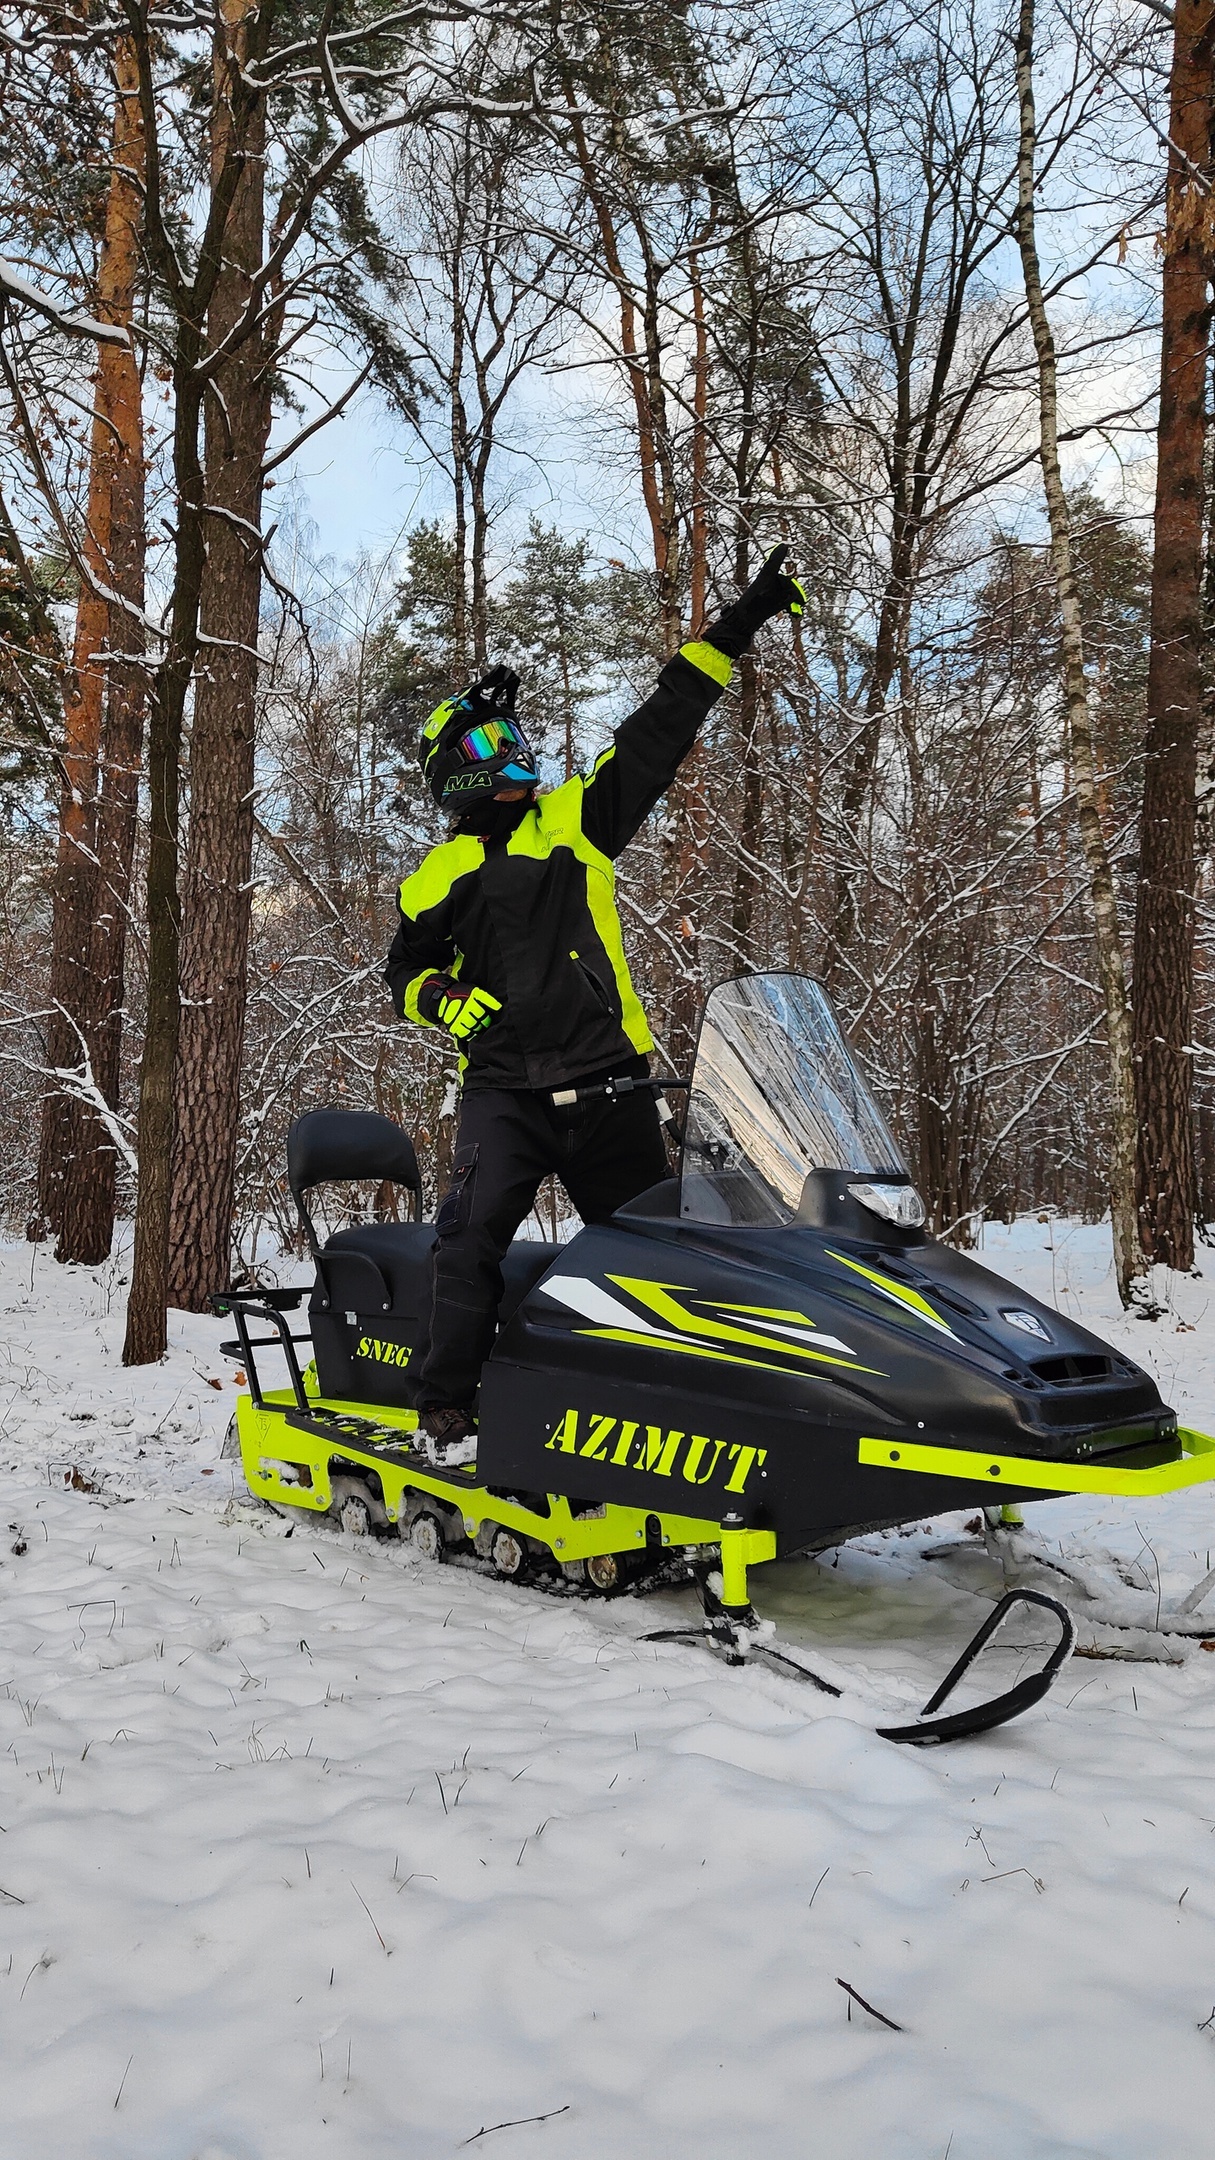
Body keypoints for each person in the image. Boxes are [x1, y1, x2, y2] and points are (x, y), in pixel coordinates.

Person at [384, 544, 805, 1465]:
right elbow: (402, 975)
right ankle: (446, 1413)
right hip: (502, 1095)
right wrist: (443, 998)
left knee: (665, 1255)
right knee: (466, 1243)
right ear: (452, 771)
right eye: (493, 747)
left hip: (611, 1087)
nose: (516, 756)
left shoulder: (576, 822)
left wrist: (741, 622)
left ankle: (694, 1408)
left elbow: (659, 726)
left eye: (515, 741)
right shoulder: (433, 878)